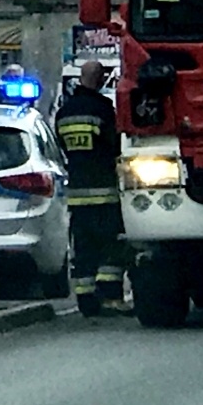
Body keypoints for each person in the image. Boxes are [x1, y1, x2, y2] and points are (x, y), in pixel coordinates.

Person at [54, 59, 131, 315]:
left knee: (84, 250)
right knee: (112, 246)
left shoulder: (64, 112)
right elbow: (114, 147)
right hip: (105, 193)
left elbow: (63, 148)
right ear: (98, 78)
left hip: (77, 194)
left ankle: (86, 301)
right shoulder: (102, 109)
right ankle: (111, 298)